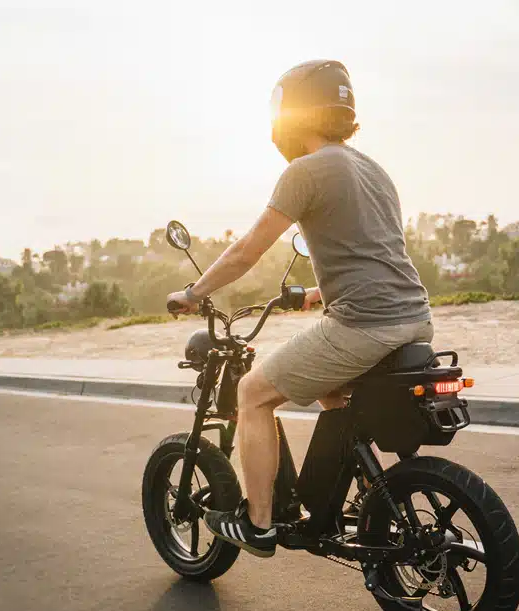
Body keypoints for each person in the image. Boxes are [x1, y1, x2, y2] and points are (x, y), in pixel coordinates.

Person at [166, 60, 433, 558]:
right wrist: (317, 292)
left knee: (252, 393)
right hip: (414, 317)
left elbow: (247, 250)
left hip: (363, 325)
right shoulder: (373, 169)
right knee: (334, 392)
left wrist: (194, 293)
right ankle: (339, 500)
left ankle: (261, 523)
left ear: (293, 113)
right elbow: (371, 248)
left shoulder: (304, 171)